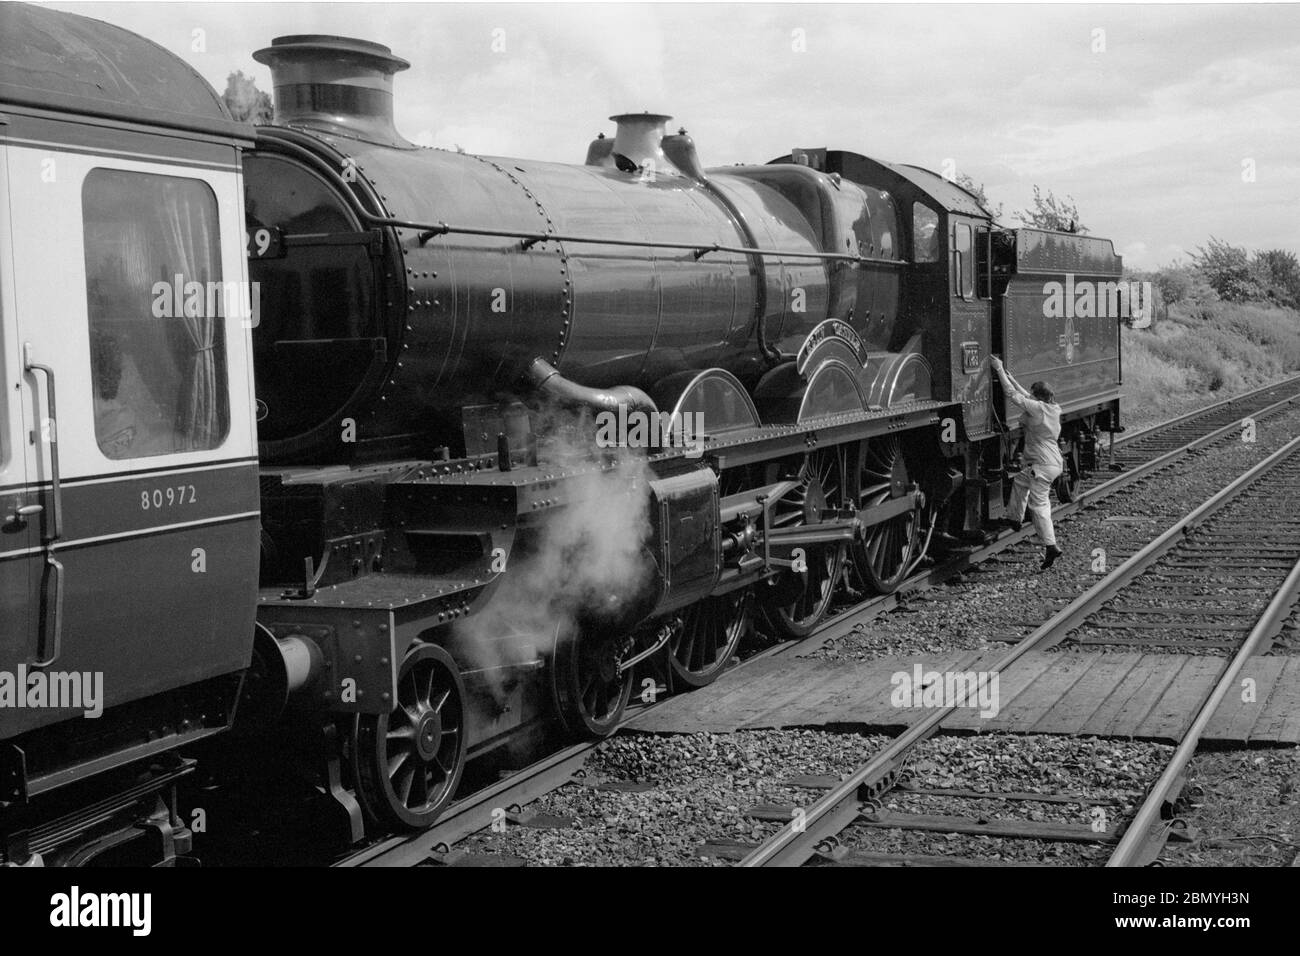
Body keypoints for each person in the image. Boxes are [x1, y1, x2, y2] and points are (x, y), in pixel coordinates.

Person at [990, 355, 1064, 570]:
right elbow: (1025, 395)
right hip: (1050, 462)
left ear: (1038, 396)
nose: (1030, 396)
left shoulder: (1038, 409)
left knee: (1039, 505)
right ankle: (1014, 518)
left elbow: (1013, 396)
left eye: (1033, 393)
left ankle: (1051, 546)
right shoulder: (1053, 408)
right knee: (1021, 482)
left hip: (1042, 465)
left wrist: (999, 369)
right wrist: (1011, 377)